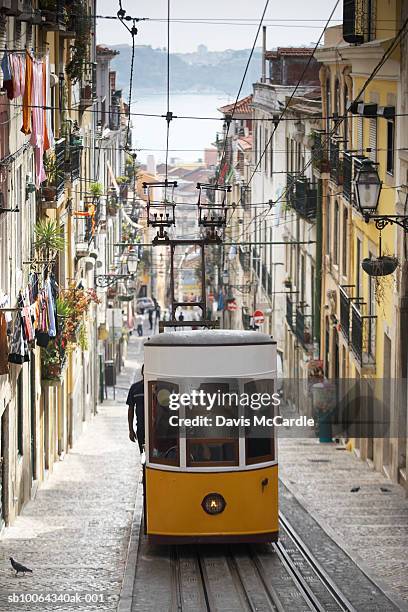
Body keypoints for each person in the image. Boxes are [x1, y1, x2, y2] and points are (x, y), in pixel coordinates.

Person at [127, 365, 145, 453]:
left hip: (156, 431)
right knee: (143, 455)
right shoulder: (135, 388)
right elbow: (130, 410)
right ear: (142, 372)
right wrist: (131, 429)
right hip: (141, 429)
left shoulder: (158, 388)